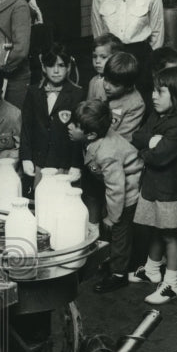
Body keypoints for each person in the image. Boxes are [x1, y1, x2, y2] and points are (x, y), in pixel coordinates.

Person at [129, 66, 177, 305]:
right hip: (153, 187)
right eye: (154, 91)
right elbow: (137, 137)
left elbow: (157, 157)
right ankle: (151, 268)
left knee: (169, 236)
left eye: (160, 92)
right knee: (156, 229)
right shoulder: (158, 116)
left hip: (170, 191)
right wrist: (150, 141)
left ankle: (171, 284)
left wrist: (148, 148)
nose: (153, 96)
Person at [68, 99, 142, 294]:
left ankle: (119, 274)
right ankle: (111, 261)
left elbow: (117, 188)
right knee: (113, 231)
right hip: (115, 191)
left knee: (119, 232)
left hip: (127, 193)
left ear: (91, 134)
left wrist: (113, 216)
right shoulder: (96, 140)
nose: (69, 126)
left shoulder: (106, 153)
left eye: (75, 125)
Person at [19, 43, 84, 184]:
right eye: (51, 65)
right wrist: (26, 157)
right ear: (43, 67)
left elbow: (80, 133)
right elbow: (26, 127)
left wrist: (76, 164)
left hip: (63, 164)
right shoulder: (33, 92)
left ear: (68, 68)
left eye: (61, 66)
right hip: (39, 162)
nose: (56, 71)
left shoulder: (77, 94)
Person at [102, 51, 146, 140]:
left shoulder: (136, 105)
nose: (106, 87)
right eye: (106, 79)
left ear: (128, 87)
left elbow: (123, 139)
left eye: (115, 84)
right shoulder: (100, 85)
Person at [87, 34, 122, 101]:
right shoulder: (93, 81)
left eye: (103, 57)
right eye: (94, 56)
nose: (97, 61)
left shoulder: (121, 82)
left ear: (116, 58)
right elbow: (89, 106)